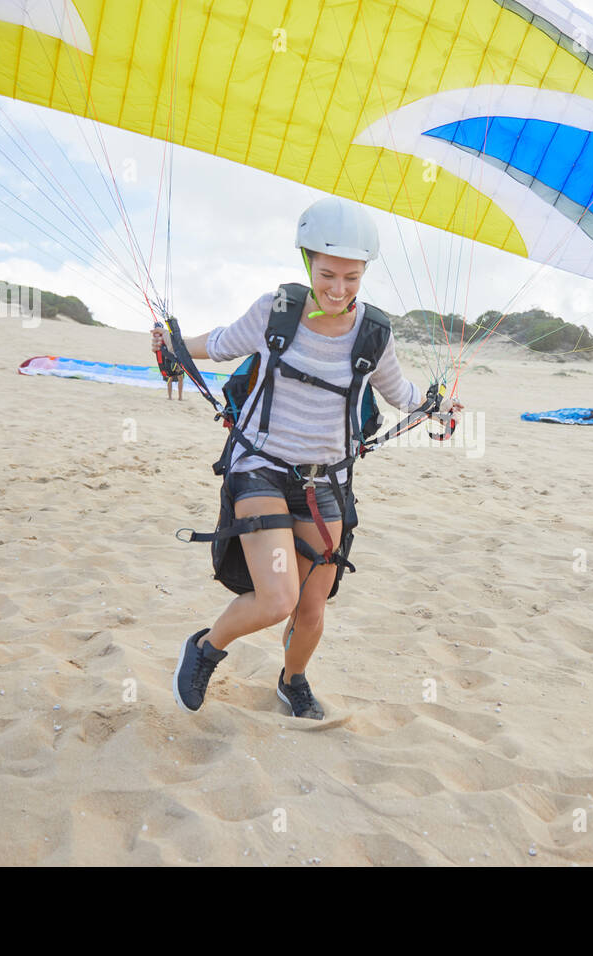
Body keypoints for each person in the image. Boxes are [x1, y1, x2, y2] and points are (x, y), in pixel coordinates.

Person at [162, 197, 463, 720]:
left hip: (327, 482)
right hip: (260, 466)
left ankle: (292, 682)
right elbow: (222, 344)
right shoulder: (275, 312)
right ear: (307, 263)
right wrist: (172, 344)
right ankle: (206, 649)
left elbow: (399, 392)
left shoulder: (375, 332)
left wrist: (436, 406)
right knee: (277, 598)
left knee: (310, 607)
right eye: (327, 274)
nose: (339, 289)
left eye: (352, 277)